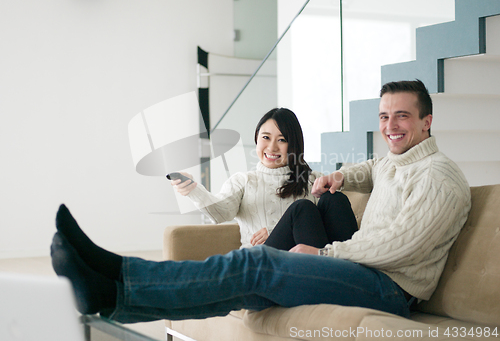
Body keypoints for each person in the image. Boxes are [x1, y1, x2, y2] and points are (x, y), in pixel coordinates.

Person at [50, 80, 471, 323]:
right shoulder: (394, 162)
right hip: (364, 271)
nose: (390, 125)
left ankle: (116, 276)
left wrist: (324, 251)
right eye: (384, 116)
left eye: (402, 116)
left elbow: (401, 246)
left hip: (391, 290)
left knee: (254, 263)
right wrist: (341, 176)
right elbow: (374, 167)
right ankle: (111, 291)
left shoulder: (440, 176)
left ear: (426, 122)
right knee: (250, 282)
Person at [172, 107, 357, 248]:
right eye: (266, 137)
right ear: (256, 138)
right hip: (263, 263)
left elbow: (323, 233)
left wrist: (280, 231)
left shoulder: (313, 180)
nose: (272, 147)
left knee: (335, 198)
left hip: (306, 261)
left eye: (282, 140)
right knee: (302, 208)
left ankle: (350, 274)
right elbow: (221, 212)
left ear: (294, 145)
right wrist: (194, 190)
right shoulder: (244, 181)